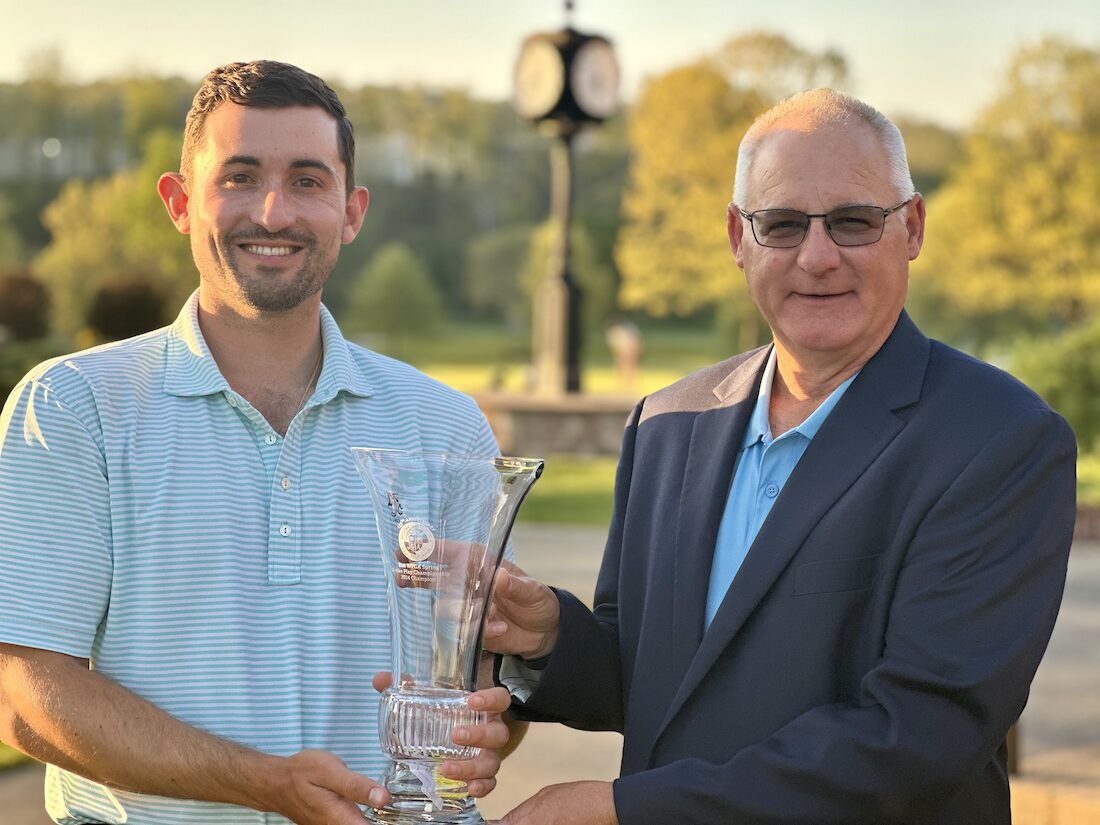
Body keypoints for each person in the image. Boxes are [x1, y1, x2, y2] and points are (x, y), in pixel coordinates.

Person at [483, 88, 1077, 824]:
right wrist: (548, 638)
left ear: (913, 226)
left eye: (855, 221)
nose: (817, 256)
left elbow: (919, 736)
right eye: (783, 224)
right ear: (739, 237)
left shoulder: (998, 439)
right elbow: (656, 674)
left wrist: (628, 808)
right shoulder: (668, 423)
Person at [0, 60, 517, 825]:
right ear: (180, 202)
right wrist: (258, 781)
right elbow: (26, 696)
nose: (273, 212)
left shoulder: (444, 425)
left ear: (352, 210)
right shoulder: (73, 407)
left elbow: (483, 687)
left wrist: (489, 732)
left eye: (308, 180)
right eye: (239, 177)